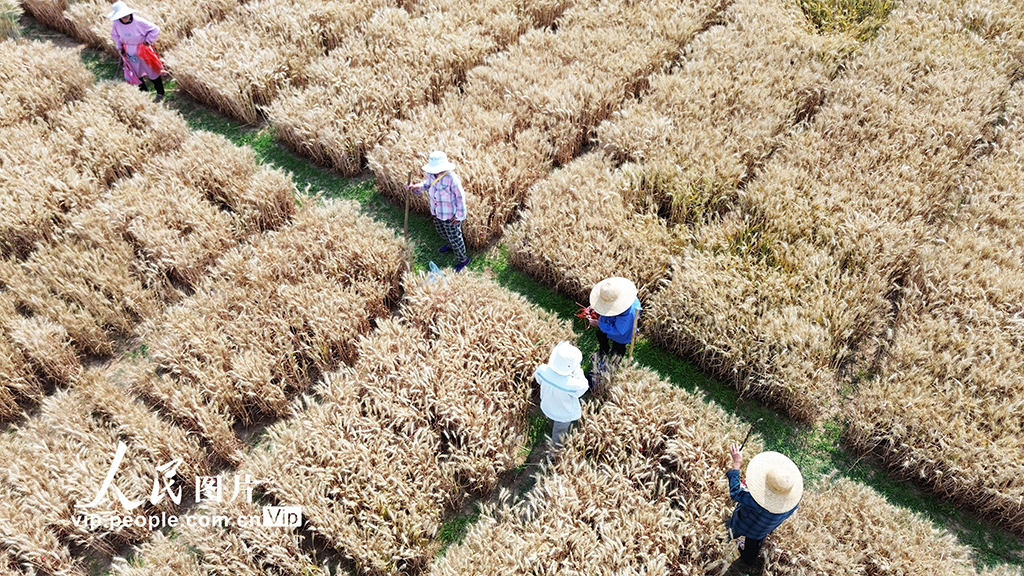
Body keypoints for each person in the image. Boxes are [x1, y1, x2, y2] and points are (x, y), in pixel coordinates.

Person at [725, 443, 802, 567]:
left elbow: (735, 493)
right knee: (752, 549)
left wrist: (737, 464)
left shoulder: (756, 501)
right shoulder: (793, 503)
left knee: (726, 532)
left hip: (742, 524)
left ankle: (721, 542)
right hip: (761, 532)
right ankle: (747, 560)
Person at [408, 151, 470, 272]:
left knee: (455, 237)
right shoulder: (431, 175)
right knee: (441, 231)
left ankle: (463, 260)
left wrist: (459, 216)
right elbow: (427, 184)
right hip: (437, 212)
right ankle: (451, 245)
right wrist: (417, 187)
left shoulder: (452, 179)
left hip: (450, 215)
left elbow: (460, 198)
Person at [533, 341, 588, 446]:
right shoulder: (571, 385)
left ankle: (550, 426)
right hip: (563, 414)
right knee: (559, 432)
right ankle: (555, 451)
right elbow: (583, 387)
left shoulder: (542, 370)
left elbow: (539, 379)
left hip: (547, 406)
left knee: (551, 419)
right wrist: (578, 371)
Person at [109, 1, 165, 102]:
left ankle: (160, 93)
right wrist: (120, 47)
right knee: (134, 73)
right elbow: (115, 36)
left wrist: (148, 41)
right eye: (122, 16)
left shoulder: (138, 21)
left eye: (126, 14)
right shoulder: (116, 24)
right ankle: (145, 95)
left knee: (152, 71)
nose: (125, 17)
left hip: (143, 49)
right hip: (128, 51)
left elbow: (155, 29)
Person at [587, 277, 641, 361]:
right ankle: (603, 352)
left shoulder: (629, 313)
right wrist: (595, 307)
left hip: (621, 333)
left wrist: (599, 324)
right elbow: (603, 301)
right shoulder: (613, 292)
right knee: (601, 335)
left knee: (618, 349)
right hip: (607, 320)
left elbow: (618, 330)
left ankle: (613, 363)